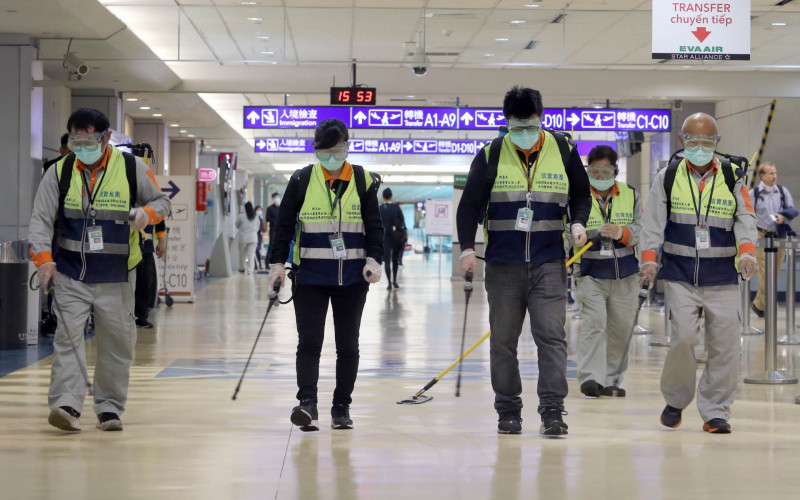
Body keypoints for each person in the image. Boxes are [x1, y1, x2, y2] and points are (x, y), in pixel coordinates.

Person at [457, 86, 592, 436]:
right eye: (516, 126)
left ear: (540, 118)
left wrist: (578, 222)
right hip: (503, 264)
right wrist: (468, 249)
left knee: (552, 338)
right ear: (507, 123)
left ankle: (552, 410)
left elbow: (580, 192)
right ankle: (508, 410)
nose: (524, 133)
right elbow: (469, 206)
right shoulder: (490, 155)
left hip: (549, 262)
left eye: (529, 124)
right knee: (503, 341)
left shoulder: (562, 149)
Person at [28, 107, 170, 432]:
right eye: (76, 140)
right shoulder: (59, 172)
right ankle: (66, 404)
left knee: (116, 343)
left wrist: (146, 214)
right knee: (68, 339)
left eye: (88, 139)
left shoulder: (132, 167)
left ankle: (109, 408)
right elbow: (40, 220)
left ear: (106, 138)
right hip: (70, 271)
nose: (81, 146)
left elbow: (163, 203)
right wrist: (44, 260)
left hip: (118, 274)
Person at [639, 112, 757, 434]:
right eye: (694, 141)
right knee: (683, 339)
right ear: (683, 141)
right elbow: (652, 224)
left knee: (725, 344)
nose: (701, 147)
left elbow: (746, 218)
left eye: (708, 142)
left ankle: (716, 411)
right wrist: (648, 261)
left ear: (717, 143)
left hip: (721, 275)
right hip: (680, 274)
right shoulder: (667, 176)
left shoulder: (734, 176)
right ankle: (676, 399)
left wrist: (747, 252)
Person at [269, 119, 383, 432]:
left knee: (348, 346)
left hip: (353, 279)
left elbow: (374, 225)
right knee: (309, 343)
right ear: (316, 151)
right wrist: (277, 263)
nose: (332, 158)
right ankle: (307, 403)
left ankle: (341, 406)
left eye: (337, 150)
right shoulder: (302, 179)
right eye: (325, 152)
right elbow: (284, 224)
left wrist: (375, 259)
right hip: (309, 278)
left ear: (347, 146)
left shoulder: (362, 180)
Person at [572, 146, 642, 398]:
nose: (600, 176)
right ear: (587, 170)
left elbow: (642, 229)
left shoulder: (630, 194)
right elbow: (565, 231)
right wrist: (585, 235)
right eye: (594, 170)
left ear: (615, 170)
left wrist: (622, 233)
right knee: (594, 322)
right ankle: (591, 377)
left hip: (626, 273)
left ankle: (611, 378)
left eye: (606, 171)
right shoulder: (577, 196)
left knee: (621, 327)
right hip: (590, 272)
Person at [749, 162, 797, 317]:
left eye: (775, 173)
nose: (774, 176)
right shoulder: (754, 194)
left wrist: (783, 217)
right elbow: (746, 214)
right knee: (764, 271)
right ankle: (770, 303)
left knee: (774, 271)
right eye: (770, 173)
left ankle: (758, 304)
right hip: (761, 236)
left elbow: (791, 210)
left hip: (779, 235)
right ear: (762, 176)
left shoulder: (783, 192)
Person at [134, 221, 166, 328]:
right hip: (128, 248)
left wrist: (161, 241)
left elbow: (160, 220)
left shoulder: (152, 204)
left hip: (146, 247)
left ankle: (140, 317)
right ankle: (127, 316)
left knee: (145, 283)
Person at [379, 188, 407, 289]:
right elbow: (403, 222)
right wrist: (404, 234)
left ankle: (389, 283)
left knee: (387, 260)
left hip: (385, 237)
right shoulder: (396, 207)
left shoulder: (380, 208)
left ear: (383, 196)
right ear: (391, 196)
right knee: (395, 259)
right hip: (396, 236)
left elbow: (377, 224)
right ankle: (395, 280)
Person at [236, 201, 260, 275]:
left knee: (242, 254)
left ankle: (242, 268)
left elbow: (237, 225)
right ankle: (250, 271)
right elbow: (258, 227)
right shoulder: (255, 216)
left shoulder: (241, 216)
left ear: (245, 208)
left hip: (243, 237)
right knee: (251, 255)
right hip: (253, 238)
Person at [265, 192, 281, 265]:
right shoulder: (270, 208)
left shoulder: (281, 208)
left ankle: (276, 262)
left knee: (279, 246)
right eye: (276, 197)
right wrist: (276, 219)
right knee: (271, 245)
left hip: (280, 229)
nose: (277, 199)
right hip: (273, 229)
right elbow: (267, 219)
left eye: (278, 197)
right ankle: (267, 261)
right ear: (273, 198)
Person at [254, 205, 265, 270]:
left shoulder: (260, 219)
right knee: (255, 251)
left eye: (260, 210)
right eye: (258, 210)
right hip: (255, 236)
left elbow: (262, 228)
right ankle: (255, 265)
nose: (259, 211)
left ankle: (259, 264)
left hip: (259, 237)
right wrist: (259, 232)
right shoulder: (254, 218)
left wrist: (262, 232)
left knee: (258, 250)